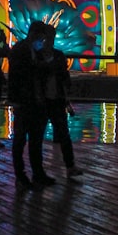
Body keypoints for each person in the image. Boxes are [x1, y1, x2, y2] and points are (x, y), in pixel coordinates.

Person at [8, 21, 55, 189]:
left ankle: (37, 173)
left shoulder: (34, 51)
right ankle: (21, 175)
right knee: (21, 139)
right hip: (25, 100)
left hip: (36, 101)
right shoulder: (22, 51)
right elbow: (18, 75)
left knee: (35, 139)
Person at [44, 25, 83, 178]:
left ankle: (70, 165)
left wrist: (66, 94)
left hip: (56, 98)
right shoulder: (41, 56)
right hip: (43, 98)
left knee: (64, 133)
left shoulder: (57, 55)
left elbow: (64, 76)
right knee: (38, 133)